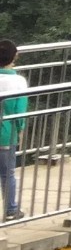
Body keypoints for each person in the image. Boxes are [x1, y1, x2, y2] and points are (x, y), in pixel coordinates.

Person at [0, 39, 25, 221]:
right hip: (6, 135)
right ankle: (11, 209)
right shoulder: (18, 81)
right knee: (8, 174)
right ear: (14, 57)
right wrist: (21, 130)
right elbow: (20, 110)